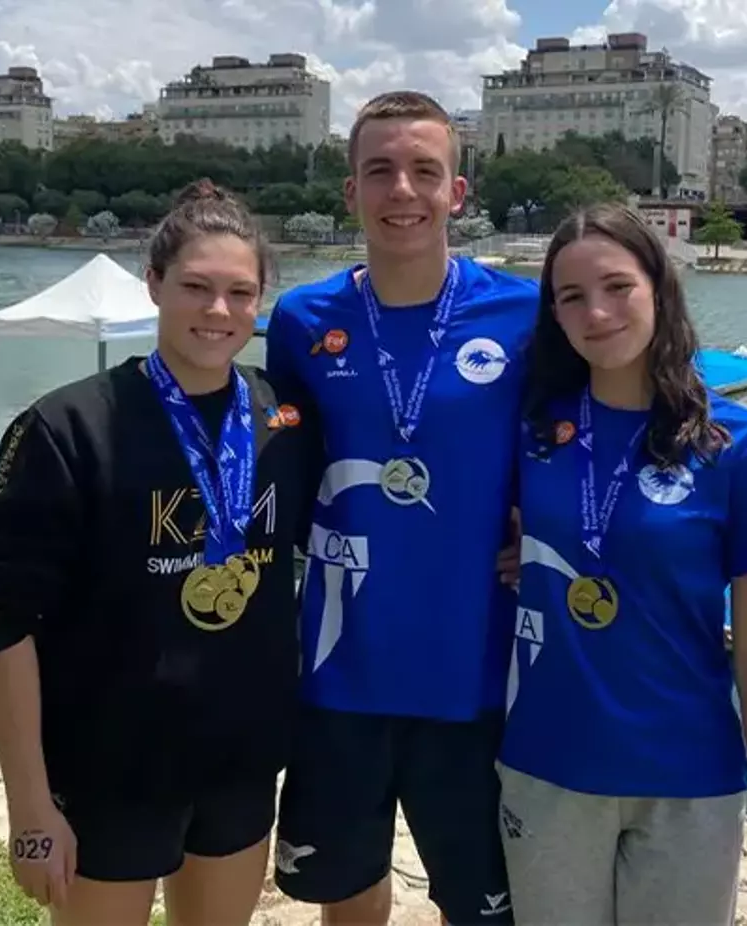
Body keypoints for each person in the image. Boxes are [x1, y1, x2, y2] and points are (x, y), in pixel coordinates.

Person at [0, 179, 323, 926]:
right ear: (154, 284)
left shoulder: (283, 423)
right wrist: (30, 806)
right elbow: (5, 622)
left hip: (239, 762)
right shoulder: (67, 428)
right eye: (196, 287)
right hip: (110, 767)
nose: (217, 311)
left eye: (239, 291)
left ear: (261, 301)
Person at [497, 203, 747, 926]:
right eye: (571, 297)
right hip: (549, 769)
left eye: (617, 287)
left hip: (688, 779)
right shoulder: (532, 431)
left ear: (660, 289)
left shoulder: (744, 449)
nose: (596, 313)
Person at [265, 90, 536, 925]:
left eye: (426, 170)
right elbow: (275, 459)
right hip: (342, 669)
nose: (403, 190)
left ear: (459, 193)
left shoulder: (524, 314)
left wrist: (545, 528)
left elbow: (572, 442)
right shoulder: (302, 319)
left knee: (485, 909)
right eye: (380, 170)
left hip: (477, 673)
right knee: (345, 894)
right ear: (351, 191)